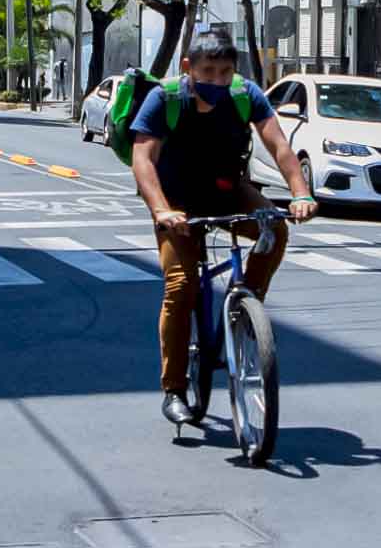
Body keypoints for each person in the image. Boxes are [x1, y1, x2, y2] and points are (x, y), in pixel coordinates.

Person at [130, 30, 317, 425]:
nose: (217, 80)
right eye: (208, 71)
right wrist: (162, 210)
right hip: (175, 203)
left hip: (228, 189)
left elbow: (279, 146)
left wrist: (300, 192)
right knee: (182, 286)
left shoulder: (245, 94)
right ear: (188, 68)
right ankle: (174, 388)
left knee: (275, 228)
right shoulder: (164, 98)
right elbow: (143, 160)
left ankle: (247, 308)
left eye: (225, 72)